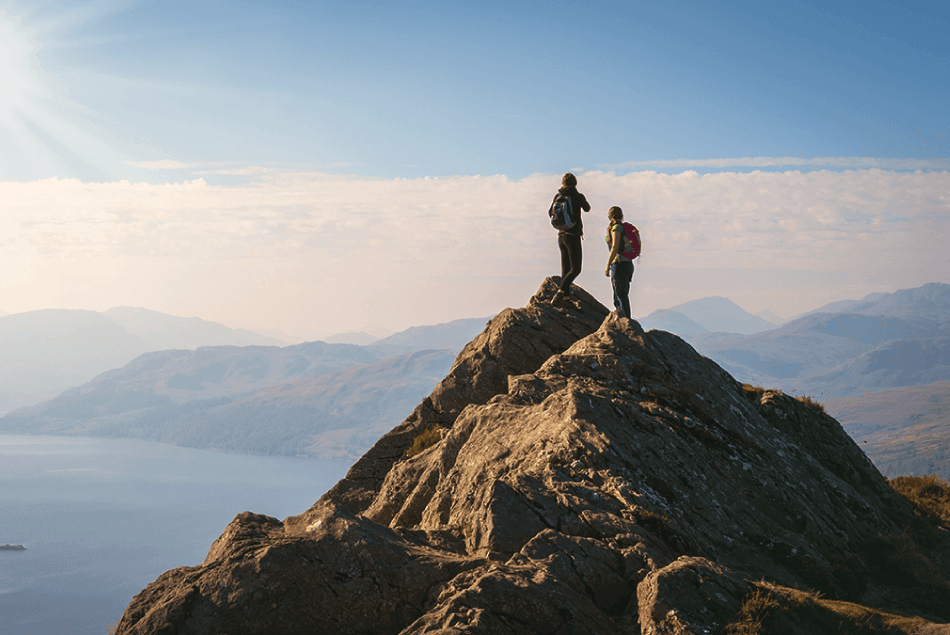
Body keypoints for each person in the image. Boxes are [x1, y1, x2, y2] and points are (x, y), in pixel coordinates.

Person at [550, 172, 591, 304]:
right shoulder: (576, 196)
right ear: (575, 183)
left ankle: (566, 299)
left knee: (565, 268)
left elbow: (549, 212)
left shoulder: (558, 196)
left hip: (561, 235)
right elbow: (587, 208)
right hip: (573, 236)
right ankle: (560, 292)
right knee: (576, 269)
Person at [604, 206, 636, 319]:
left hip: (619, 264)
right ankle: (625, 320)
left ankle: (624, 322)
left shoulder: (616, 228)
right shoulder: (623, 228)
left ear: (610, 216)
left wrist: (607, 266)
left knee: (620, 295)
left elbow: (615, 247)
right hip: (628, 264)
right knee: (622, 294)